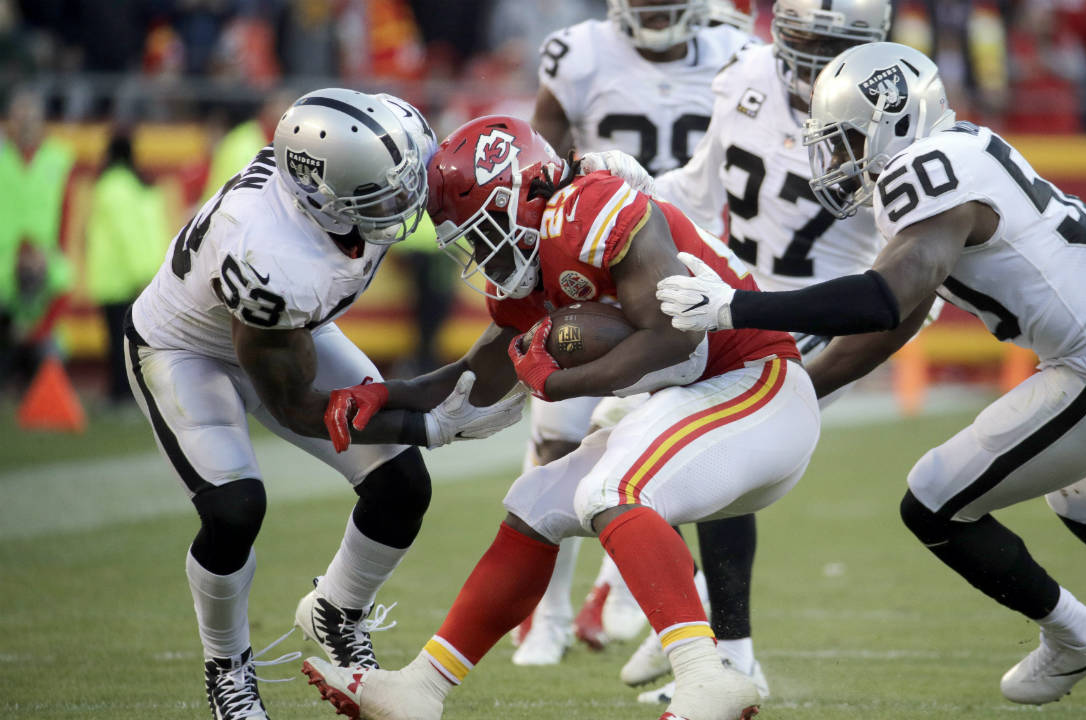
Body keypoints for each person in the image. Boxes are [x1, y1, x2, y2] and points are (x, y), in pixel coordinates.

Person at [655, 42, 1086, 720]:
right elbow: (901, 315)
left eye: (847, 139)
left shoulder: (921, 170)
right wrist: (802, 384)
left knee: (932, 502)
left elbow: (884, 298)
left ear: (894, 120)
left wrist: (734, 307)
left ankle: (1075, 636)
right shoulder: (957, 148)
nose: (837, 159)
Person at [302, 114, 818, 720]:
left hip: (759, 382)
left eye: (482, 228)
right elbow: (479, 374)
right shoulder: (528, 271)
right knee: (536, 502)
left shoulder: (591, 205)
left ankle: (707, 678)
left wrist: (563, 381)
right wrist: (389, 396)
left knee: (612, 488)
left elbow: (677, 336)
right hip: (710, 400)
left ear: (515, 192)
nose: (480, 252)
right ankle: (421, 689)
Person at [125, 88, 523, 720]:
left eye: (404, 183)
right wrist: (430, 425)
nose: (404, 204)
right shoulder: (269, 254)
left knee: (401, 486)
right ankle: (227, 667)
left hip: (293, 326)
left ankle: (336, 610)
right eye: (381, 198)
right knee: (234, 508)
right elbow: (296, 406)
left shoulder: (362, 167)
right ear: (323, 199)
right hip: (187, 348)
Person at [613, 0, 909, 703]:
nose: (808, 57)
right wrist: (634, 190)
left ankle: (716, 642)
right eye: (802, 37)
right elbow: (702, 184)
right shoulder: (744, 73)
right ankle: (699, 629)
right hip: (733, 289)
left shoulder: (892, 113)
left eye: (828, 43)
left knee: (694, 449)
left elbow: (909, 260)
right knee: (661, 450)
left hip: (819, 308)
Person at [516, 0, 756, 667]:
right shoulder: (578, 53)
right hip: (589, 266)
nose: (656, 16)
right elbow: (540, 162)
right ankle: (549, 611)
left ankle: (627, 597)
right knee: (558, 433)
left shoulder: (734, 59)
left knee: (656, 440)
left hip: (681, 264)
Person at [84, 131, 170, 407]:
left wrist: (138, 274)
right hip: (137, 275)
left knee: (117, 342)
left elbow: (126, 233)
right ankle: (125, 394)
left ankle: (121, 396)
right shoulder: (140, 185)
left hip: (117, 277)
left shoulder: (111, 187)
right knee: (131, 342)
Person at [0, 89, 74, 397]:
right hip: (4, 260)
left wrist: (55, 252)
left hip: (44, 259)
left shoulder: (58, 158)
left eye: (31, 116)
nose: (26, 123)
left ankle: (36, 382)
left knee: (50, 342)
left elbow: (66, 209)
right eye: (20, 116)